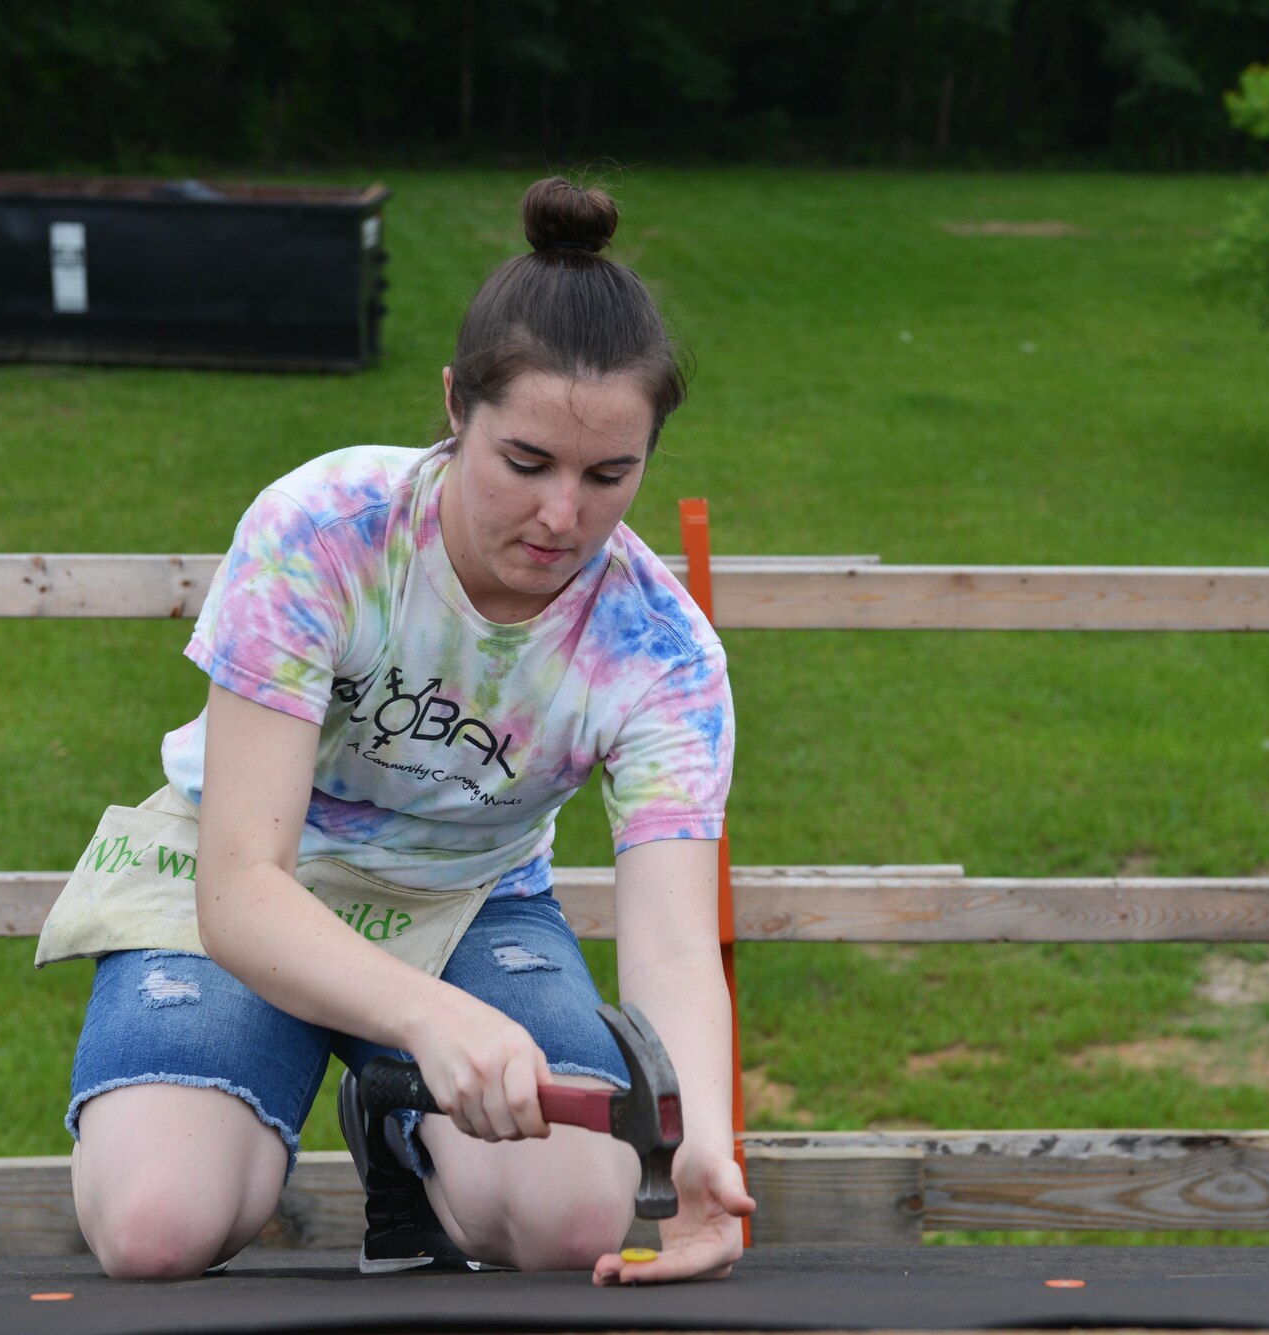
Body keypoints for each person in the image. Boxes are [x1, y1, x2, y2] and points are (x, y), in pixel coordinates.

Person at [38, 176, 753, 1284]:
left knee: (570, 1223)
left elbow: (667, 940)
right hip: (242, 882)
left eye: (610, 475)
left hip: (465, 900)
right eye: (526, 462)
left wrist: (701, 1143)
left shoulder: (660, 652)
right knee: (154, 1228)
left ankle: (393, 1131)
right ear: (455, 408)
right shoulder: (320, 533)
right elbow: (241, 885)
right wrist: (428, 1020)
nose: (563, 517)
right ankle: (356, 1071)